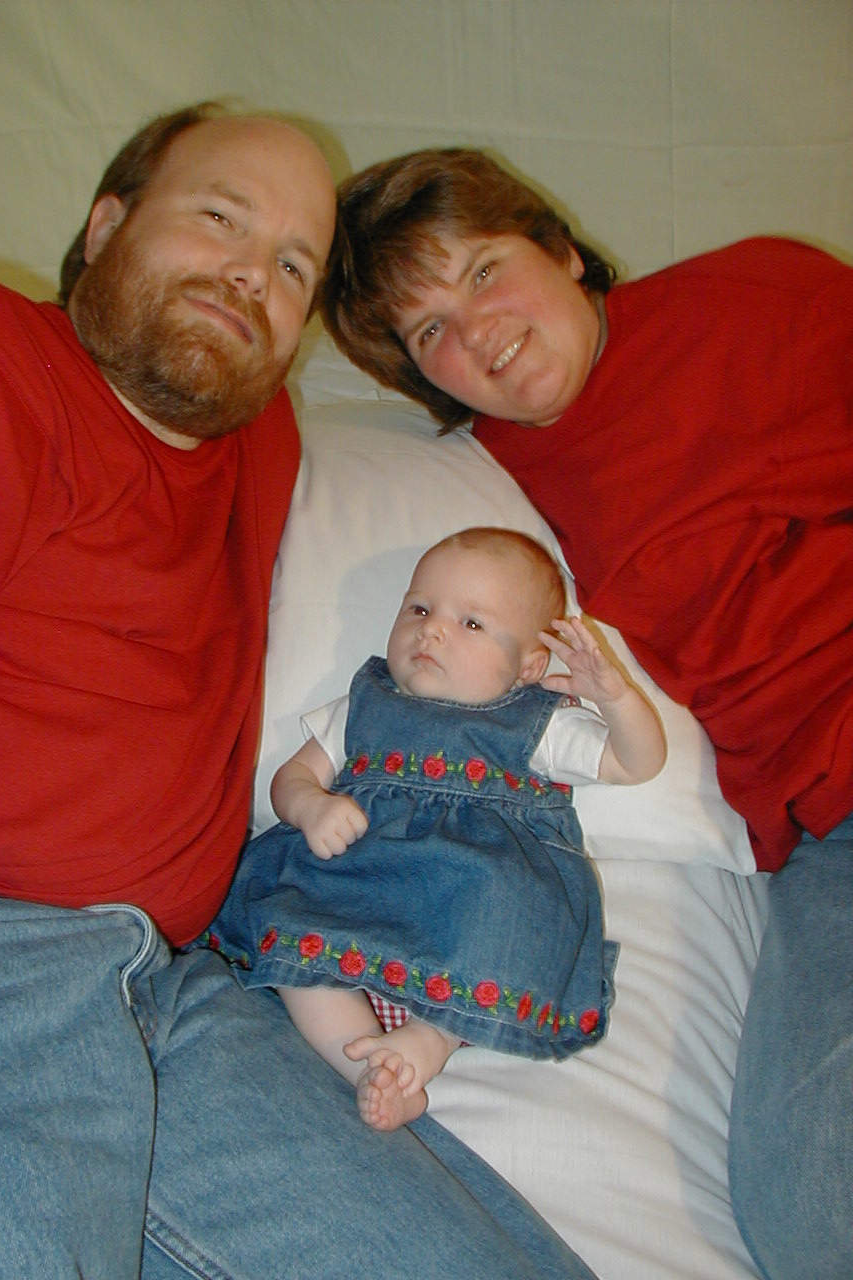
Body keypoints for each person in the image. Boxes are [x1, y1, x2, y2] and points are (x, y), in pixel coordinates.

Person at [0, 112, 602, 1280]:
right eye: (220, 217)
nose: (249, 274)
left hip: (185, 990)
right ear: (106, 226)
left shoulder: (258, 437)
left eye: (292, 266)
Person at [319, 146, 853, 1280]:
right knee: (815, 1208)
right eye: (429, 330)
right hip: (825, 834)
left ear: (559, 247)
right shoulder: (491, 488)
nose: (477, 332)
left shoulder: (760, 303)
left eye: (482, 270)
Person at [207, 526, 664, 1132]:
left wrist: (615, 697)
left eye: (472, 623)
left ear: (529, 667)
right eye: (419, 609)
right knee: (292, 933)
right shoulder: (365, 704)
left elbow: (637, 762)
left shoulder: (537, 722)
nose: (433, 630)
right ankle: (364, 1064)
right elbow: (290, 778)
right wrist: (310, 806)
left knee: (505, 914)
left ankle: (428, 1044)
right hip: (355, 890)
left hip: (466, 904)